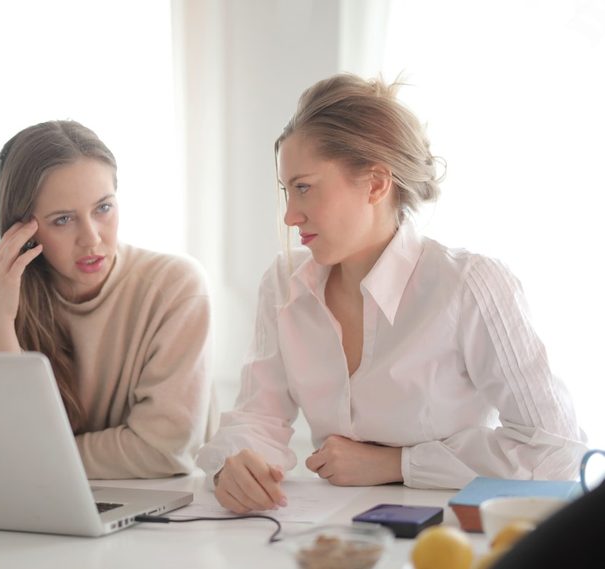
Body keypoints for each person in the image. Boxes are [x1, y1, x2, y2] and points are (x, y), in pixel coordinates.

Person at [197, 73, 586, 513]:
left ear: (377, 184)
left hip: (447, 535)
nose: (289, 215)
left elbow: (557, 450)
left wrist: (398, 464)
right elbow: (258, 415)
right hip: (324, 532)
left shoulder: (469, 285)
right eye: (287, 191)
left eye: (303, 187)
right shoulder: (284, 283)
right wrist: (235, 465)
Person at [0, 120, 216, 479]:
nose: (91, 239)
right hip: (49, 507)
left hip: (172, 513)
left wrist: (40, 457)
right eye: (63, 219)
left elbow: (166, 451)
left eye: (103, 208)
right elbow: (1, 451)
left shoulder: (176, 287)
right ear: (21, 231)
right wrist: (0, 327)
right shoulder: (0, 314)